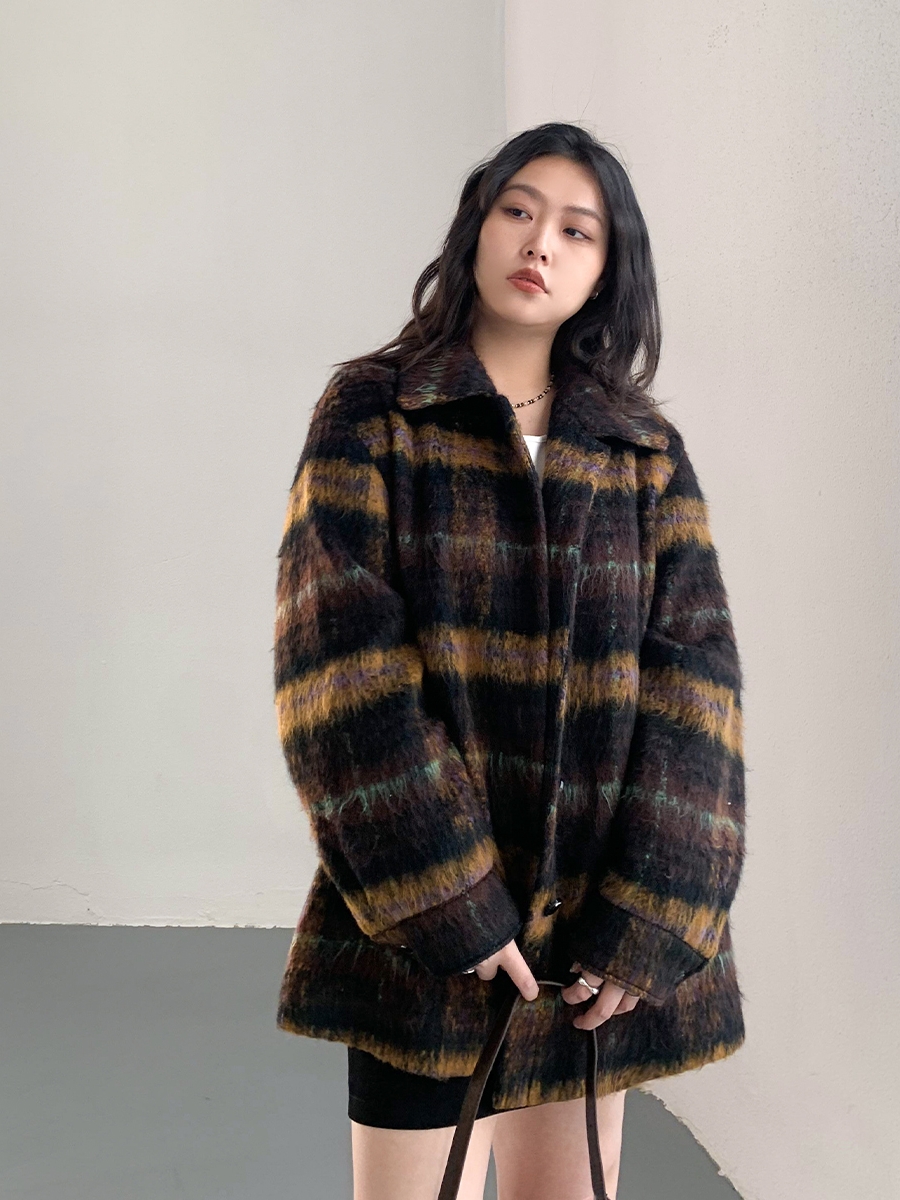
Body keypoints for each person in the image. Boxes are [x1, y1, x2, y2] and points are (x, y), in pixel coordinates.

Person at [273, 121, 746, 1200]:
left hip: (592, 937)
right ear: (476, 227)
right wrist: (452, 899)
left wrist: (650, 916)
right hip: (424, 927)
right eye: (519, 211)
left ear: (607, 271)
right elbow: (338, 670)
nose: (541, 242)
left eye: (578, 230)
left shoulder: (641, 450)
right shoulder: (376, 412)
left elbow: (697, 686)